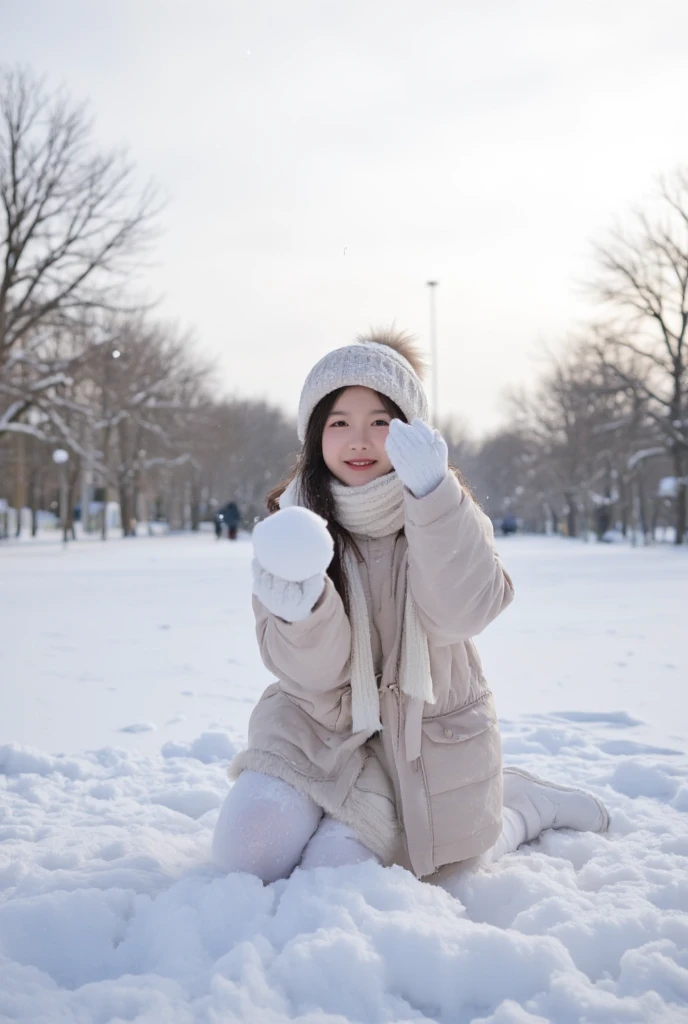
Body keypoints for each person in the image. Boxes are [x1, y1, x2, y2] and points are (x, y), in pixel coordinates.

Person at [212, 330, 609, 882]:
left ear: (410, 432)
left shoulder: (447, 509)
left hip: (424, 742)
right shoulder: (292, 528)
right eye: (339, 422)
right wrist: (302, 611)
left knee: (348, 870)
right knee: (246, 855)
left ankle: (523, 805)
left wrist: (433, 496)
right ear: (314, 435)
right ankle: (334, 808)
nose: (359, 440)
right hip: (317, 731)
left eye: (380, 422)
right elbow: (312, 675)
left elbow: (459, 616)